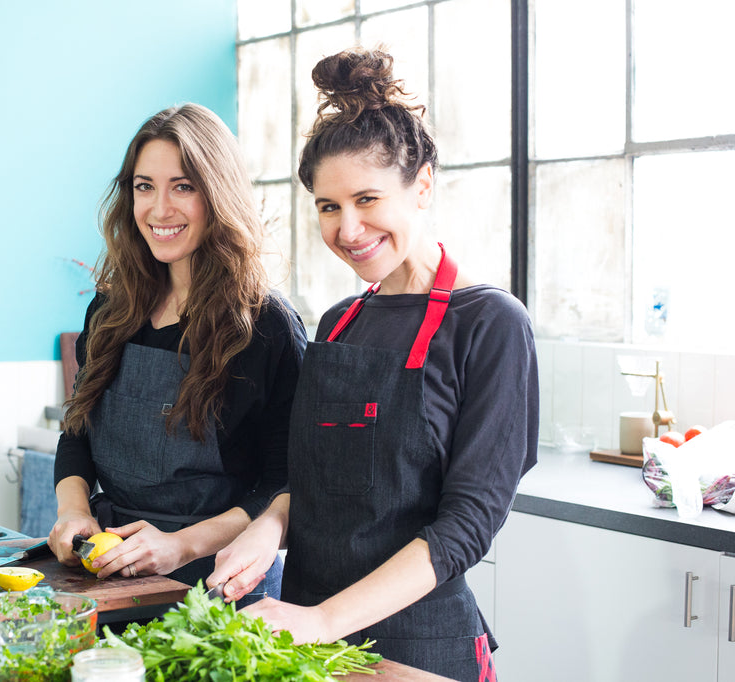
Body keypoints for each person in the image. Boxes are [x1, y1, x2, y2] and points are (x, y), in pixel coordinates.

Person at [207, 48, 538, 681]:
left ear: (423, 186)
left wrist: (325, 621)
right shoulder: (338, 322)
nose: (348, 228)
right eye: (329, 207)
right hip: (302, 636)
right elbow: (313, 479)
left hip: (418, 647)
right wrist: (266, 528)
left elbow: (467, 526)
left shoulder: (491, 325)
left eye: (366, 199)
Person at [48, 103, 307, 606]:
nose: (159, 209)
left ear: (218, 195)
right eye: (144, 186)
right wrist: (74, 512)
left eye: (183, 186)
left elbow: (283, 485)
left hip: (222, 586)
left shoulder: (265, 325)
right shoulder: (111, 307)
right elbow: (77, 431)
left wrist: (179, 546)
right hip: (109, 572)